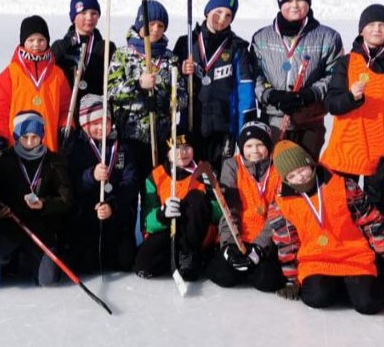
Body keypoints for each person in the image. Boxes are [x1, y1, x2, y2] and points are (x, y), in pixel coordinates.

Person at [268, 140, 384, 314]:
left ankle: (354, 285)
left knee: (369, 304)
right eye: (292, 176)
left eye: (302, 170)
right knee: (316, 298)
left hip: (353, 255)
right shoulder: (281, 203)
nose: (300, 177)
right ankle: (341, 285)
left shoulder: (342, 185)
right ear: (285, 179)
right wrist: (291, 279)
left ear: (310, 163)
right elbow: (287, 242)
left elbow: (370, 220)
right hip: (315, 260)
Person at [321, 3, 384, 215]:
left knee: (374, 208)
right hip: (348, 149)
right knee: (342, 207)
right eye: (371, 24)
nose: (376, 29)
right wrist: (351, 97)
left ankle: (376, 247)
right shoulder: (347, 62)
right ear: (361, 29)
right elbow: (332, 104)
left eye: (382, 24)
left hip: (381, 150)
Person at [251, 0, 343, 156]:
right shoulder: (261, 37)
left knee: (304, 176)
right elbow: (254, 74)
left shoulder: (328, 36)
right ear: (280, 3)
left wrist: (311, 94)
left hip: (310, 120)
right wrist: (271, 94)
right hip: (274, 119)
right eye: (289, 0)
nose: (294, 5)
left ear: (308, 3)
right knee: (275, 174)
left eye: (300, 0)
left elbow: (335, 74)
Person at [0, 111, 74, 286]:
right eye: (25, 137)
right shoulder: (4, 162)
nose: (29, 142)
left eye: (34, 137)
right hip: (13, 225)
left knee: (48, 281)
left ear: (41, 136)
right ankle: (13, 259)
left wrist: (44, 204)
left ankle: (37, 259)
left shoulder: (53, 162)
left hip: (41, 228)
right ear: (17, 136)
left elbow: (66, 200)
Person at [175, 0, 256, 168]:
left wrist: (245, 129)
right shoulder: (187, 43)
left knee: (221, 182)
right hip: (191, 125)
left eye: (228, 15)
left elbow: (246, 92)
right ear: (208, 11)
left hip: (224, 128)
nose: (222, 19)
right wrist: (180, 72)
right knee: (191, 181)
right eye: (218, 12)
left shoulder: (237, 47)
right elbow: (171, 86)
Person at [108, 0, 186, 175]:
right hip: (128, 136)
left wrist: (167, 101)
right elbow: (111, 92)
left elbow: (182, 96)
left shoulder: (170, 59)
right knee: (129, 184)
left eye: (161, 25)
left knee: (154, 187)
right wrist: (138, 85)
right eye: (151, 24)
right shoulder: (123, 55)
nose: (156, 29)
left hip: (160, 137)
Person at [65, 94, 140, 273]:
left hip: (117, 215)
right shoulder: (77, 148)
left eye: (104, 122)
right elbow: (73, 182)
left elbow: (131, 182)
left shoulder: (122, 148)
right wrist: (91, 176)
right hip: (89, 215)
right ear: (85, 125)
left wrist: (112, 205)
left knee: (125, 262)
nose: (101, 128)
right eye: (95, 123)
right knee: (86, 265)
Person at [209, 121, 285, 291]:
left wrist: (259, 248)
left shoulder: (278, 167)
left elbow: (278, 212)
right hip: (239, 236)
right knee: (224, 276)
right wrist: (228, 244)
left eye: (260, 145)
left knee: (267, 281)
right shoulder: (232, 165)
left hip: (267, 238)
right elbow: (229, 210)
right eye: (249, 146)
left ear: (268, 145)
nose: (254, 151)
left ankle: (253, 265)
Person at [134, 134, 219, 281]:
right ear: (167, 152)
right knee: (143, 265)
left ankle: (191, 256)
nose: (182, 153)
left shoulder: (204, 171)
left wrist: (207, 201)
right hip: (169, 231)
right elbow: (147, 221)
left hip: (196, 236)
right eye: (176, 148)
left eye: (187, 147)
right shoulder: (156, 176)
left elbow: (219, 213)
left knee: (195, 197)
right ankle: (173, 259)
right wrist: (162, 214)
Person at [0, 15, 72, 156]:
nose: (36, 45)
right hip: (15, 148)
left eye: (41, 40)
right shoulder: (10, 73)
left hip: (49, 148)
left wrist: (65, 127)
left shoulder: (57, 75)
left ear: (47, 41)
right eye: (31, 40)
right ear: (23, 42)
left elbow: (65, 108)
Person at [51, 0, 116, 98]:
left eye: (94, 13)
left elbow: (114, 81)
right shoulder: (60, 47)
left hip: (96, 110)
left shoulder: (107, 47)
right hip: (67, 109)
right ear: (73, 17)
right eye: (83, 13)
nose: (89, 18)